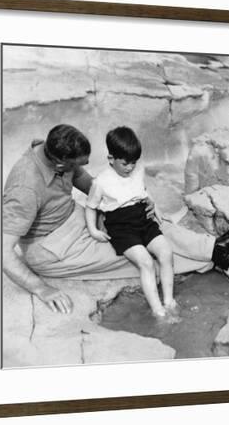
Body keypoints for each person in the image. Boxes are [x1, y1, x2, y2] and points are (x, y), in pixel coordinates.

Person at [2, 124, 229, 314]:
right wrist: (41, 289)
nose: (83, 168)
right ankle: (210, 260)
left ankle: (214, 249)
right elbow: (1, 250)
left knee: (150, 225)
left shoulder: (54, 148)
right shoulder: (25, 188)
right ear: (59, 163)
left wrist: (124, 199)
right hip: (54, 247)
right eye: (77, 165)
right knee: (139, 258)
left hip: (76, 216)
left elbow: (85, 182)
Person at [85, 127, 177, 319]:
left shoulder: (137, 170)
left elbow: (143, 190)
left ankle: (169, 300)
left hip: (142, 218)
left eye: (133, 163)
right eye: (125, 164)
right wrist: (93, 230)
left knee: (166, 252)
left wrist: (156, 207)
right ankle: (157, 310)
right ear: (111, 159)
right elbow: (91, 206)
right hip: (120, 226)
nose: (130, 168)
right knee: (146, 262)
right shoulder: (101, 181)